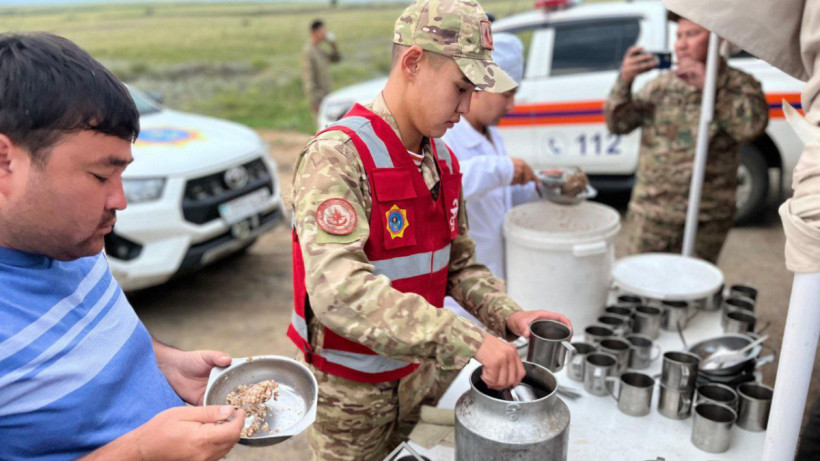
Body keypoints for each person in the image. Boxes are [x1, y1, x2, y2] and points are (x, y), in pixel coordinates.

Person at [286, 1, 571, 459]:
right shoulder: (338, 157)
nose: (464, 107)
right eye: (460, 88)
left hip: (421, 381)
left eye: (473, 92)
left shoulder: (442, 159)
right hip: (352, 401)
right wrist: (469, 339)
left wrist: (508, 316)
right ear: (413, 63)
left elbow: (458, 264)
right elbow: (336, 290)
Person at [0, 33, 244, 460]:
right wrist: (141, 453)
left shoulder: (67, 240)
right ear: (5, 160)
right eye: (100, 176)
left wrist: (163, 363)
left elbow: (86, 337)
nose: (120, 201)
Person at [603, 13, 769, 263]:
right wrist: (624, 81)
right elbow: (618, 124)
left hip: (707, 217)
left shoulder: (740, 85)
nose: (681, 44)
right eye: (679, 36)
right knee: (641, 289)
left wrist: (710, 89)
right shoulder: (661, 86)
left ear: (717, 39)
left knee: (693, 291)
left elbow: (749, 129)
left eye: (692, 34)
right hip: (653, 214)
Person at [442, 32, 539, 283]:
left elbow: (499, 198)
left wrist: (539, 188)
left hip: (494, 274)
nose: (512, 107)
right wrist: (502, 169)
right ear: (476, 89)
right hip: (461, 286)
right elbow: (444, 187)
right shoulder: (446, 136)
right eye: (506, 95)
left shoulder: (492, 133)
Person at [302, 19, 342, 116]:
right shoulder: (309, 51)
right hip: (319, 99)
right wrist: (314, 101)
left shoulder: (320, 49)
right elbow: (309, 78)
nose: (325, 34)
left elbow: (337, 59)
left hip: (327, 95)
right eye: (323, 31)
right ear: (315, 32)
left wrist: (333, 45)